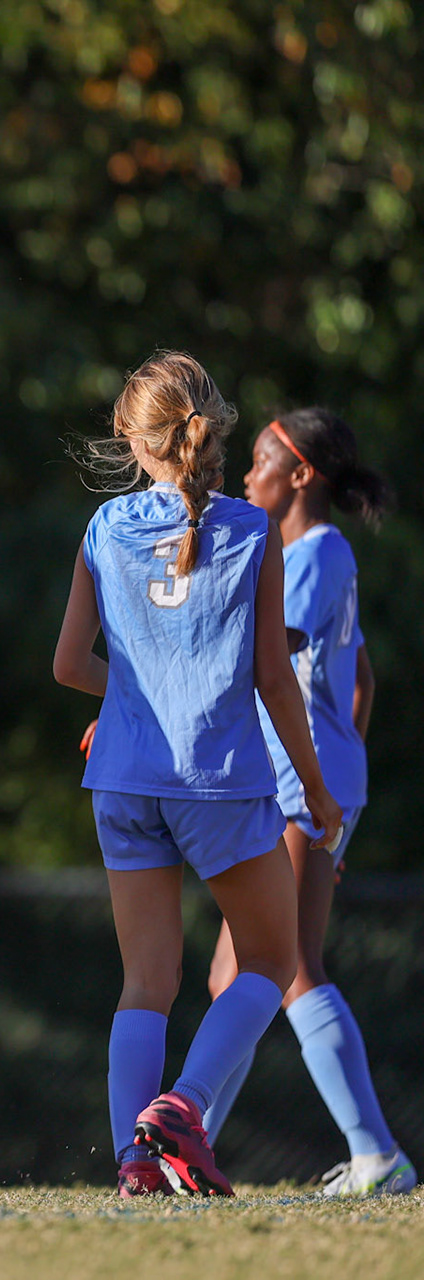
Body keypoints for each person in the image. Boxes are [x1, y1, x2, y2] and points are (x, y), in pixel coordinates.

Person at [53, 351, 341, 1198]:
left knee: (146, 982)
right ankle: (182, 1108)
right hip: (218, 780)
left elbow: (70, 664)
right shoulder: (252, 531)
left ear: (135, 442)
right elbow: (275, 680)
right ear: (212, 430)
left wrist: (135, 697)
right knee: (273, 961)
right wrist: (315, 788)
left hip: (122, 779)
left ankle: (135, 1165)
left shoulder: (104, 528)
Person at [196, 409, 413, 1196]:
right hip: (312, 781)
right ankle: (192, 1154)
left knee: (282, 969)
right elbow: (363, 681)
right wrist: (342, 794)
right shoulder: (317, 555)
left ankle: (377, 1155)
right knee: (234, 976)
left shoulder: (315, 552)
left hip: (299, 783)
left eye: (259, 461)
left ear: (300, 476)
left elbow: (269, 656)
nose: (247, 475)